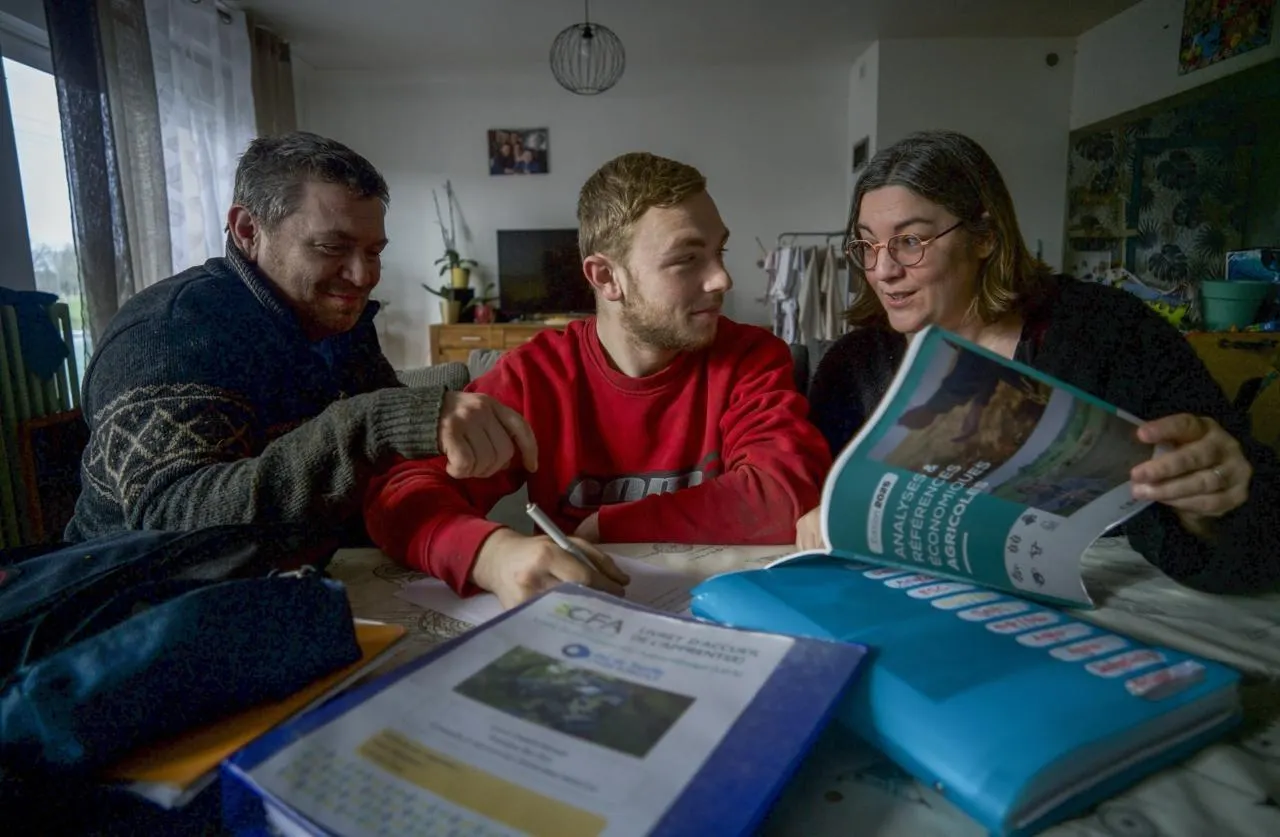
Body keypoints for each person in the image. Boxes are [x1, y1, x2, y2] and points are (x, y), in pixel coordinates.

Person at [797, 129, 1280, 592]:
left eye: (910, 241)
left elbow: (1253, 523)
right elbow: (821, 504)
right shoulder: (851, 368)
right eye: (867, 245)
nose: (883, 270)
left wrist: (1209, 511)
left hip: (1111, 605)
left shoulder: (1110, 333)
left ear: (985, 236)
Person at [365, 151, 831, 608]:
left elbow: (784, 492)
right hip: (576, 616)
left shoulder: (751, 356)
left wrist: (608, 527)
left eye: (718, 251)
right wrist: (491, 555)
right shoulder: (536, 376)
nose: (721, 279)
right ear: (606, 277)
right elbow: (399, 495)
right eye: (688, 258)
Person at [66, 131, 535, 542]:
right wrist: (377, 421)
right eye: (332, 247)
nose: (363, 276)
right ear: (248, 230)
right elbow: (175, 522)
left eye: (374, 252)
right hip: (137, 597)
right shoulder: (168, 333)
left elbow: (387, 469)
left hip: (311, 573)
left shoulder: (335, 319)